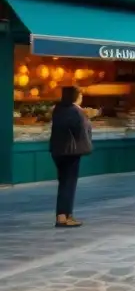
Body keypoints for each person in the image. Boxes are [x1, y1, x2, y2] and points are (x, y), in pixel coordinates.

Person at [49, 86, 92, 228]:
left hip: (57, 151)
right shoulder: (76, 111)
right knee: (69, 184)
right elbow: (80, 130)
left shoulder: (58, 109)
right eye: (80, 95)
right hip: (71, 151)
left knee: (63, 183)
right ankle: (65, 217)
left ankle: (63, 215)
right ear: (75, 96)